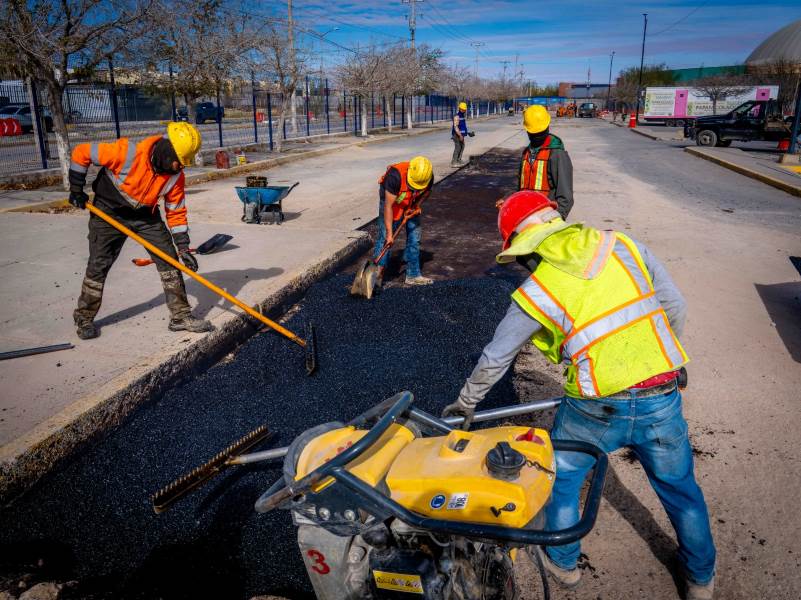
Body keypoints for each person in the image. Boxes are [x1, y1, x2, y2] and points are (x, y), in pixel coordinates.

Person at [442, 190, 716, 600]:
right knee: (680, 488)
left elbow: (496, 357)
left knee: (565, 478)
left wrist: (465, 403)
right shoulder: (623, 246)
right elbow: (674, 305)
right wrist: (668, 360)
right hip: (660, 393)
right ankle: (700, 580)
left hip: (595, 406)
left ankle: (564, 564)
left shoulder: (538, 290)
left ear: (527, 248)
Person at [68, 122, 213, 340]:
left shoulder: (175, 176)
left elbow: (176, 211)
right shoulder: (127, 153)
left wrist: (183, 248)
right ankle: (84, 317)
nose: (180, 166)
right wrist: (76, 189)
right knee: (99, 263)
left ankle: (180, 316)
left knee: (169, 260)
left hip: (146, 215)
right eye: (179, 161)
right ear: (167, 152)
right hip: (108, 212)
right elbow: (82, 152)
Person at [373, 156, 434, 286]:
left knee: (415, 237)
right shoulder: (395, 176)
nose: (416, 187)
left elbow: (426, 192)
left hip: (411, 201)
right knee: (385, 238)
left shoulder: (427, 177)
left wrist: (415, 206)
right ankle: (376, 277)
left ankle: (413, 275)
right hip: (392, 203)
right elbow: (388, 207)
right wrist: (390, 234)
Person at [518, 104, 574, 219]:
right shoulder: (526, 153)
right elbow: (520, 187)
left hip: (546, 218)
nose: (536, 136)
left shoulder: (557, 154)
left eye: (539, 132)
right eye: (534, 133)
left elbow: (565, 195)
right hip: (527, 216)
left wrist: (557, 216)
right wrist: (508, 198)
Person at [451, 102, 469, 167]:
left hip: (461, 135)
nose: (465, 110)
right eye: (463, 109)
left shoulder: (462, 116)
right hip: (457, 135)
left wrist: (467, 133)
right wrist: (460, 135)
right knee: (458, 147)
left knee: (462, 146)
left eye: (465, 109)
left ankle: (458, 160)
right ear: (460, 109)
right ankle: (454, 162)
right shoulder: (457, 116)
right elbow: (456, 127)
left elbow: (462, 126)